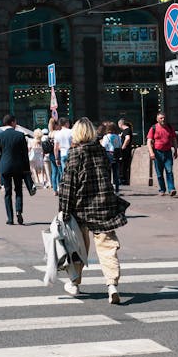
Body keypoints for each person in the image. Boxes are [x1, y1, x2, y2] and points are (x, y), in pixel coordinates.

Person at [58, 117, 128, 304]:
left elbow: (68, 185)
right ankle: (112, 285)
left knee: (77, 248)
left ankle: (74, 283)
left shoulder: (75, 153)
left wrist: (63, 211)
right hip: (103, 206)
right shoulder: (101, 152)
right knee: (108, 247)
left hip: (80, 208)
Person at [0, 113, 30, 225]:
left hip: (4, 167)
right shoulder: (20, 135)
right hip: (18, 166)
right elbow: (25, 154)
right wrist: (27, 169)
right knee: (18, 190)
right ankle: (19, 211)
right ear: (13, 122)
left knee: (7, 193)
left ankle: (10, 218)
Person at [147, 112, 178, 196]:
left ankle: (171, 189)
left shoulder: (170, 127)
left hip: (168, 152)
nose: (163, 119)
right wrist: (151, 153)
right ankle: (162, 189)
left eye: (164, 118)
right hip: (157, 153)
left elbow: (174, 139)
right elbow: (149, 142)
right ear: (157, 119)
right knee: (159, 174)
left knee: (169, 171)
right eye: (161, 118)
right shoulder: (153, 128)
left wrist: (175, 150)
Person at [100, 121, 122, 194]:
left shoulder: (106, 137)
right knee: (116, 173)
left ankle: (109, 190)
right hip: (116, 155)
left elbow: (103, 146)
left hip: (108, 155)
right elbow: (120, 145)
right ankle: (117, 190)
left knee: (108, 173)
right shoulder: (118, 137)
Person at [118, 118, 133, 185]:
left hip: (125, 151)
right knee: (124, 165)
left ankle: (123, 180)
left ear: (120, 124)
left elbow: (127, 138)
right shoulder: (128, 130)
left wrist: (123, 146)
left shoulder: (126, 130)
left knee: (123, 165)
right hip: (127, 150)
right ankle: (124, 179)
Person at [48, 118, 60, 195]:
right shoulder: (58, 133)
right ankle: (59, 187)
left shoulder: (50, 133)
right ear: (56, 125)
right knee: (59, 171)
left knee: (54, 172)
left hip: (51, 153)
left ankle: (55, 189)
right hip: (58, 153)